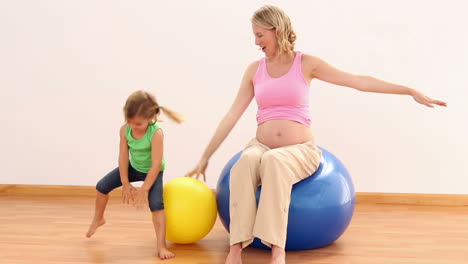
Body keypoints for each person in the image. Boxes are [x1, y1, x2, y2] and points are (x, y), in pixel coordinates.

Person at [185, 5, 447, 264]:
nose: (256, 42)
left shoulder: (306, 63)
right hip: (261, 145)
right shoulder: (255, 70)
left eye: (260, 35)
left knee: (275, 162)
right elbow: (232, 115)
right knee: (244, 164)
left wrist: (409, 90)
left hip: (300, 150)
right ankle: (235, 249)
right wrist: (204, 157)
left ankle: (277, 250)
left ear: (276, 30)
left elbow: (358, 81)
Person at [86, 90, 184, 260]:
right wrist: (125, 181)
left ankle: (161, 246)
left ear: (151, 118)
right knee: (101, 187)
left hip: (153, 171)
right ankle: (99, 218)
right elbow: (123, 156)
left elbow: (155, 165)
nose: (133, 127)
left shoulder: (156, 133)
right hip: (132, 167)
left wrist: (144, 189)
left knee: (157, 205)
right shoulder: (125, 130)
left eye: (138, 124)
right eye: (130, 122)